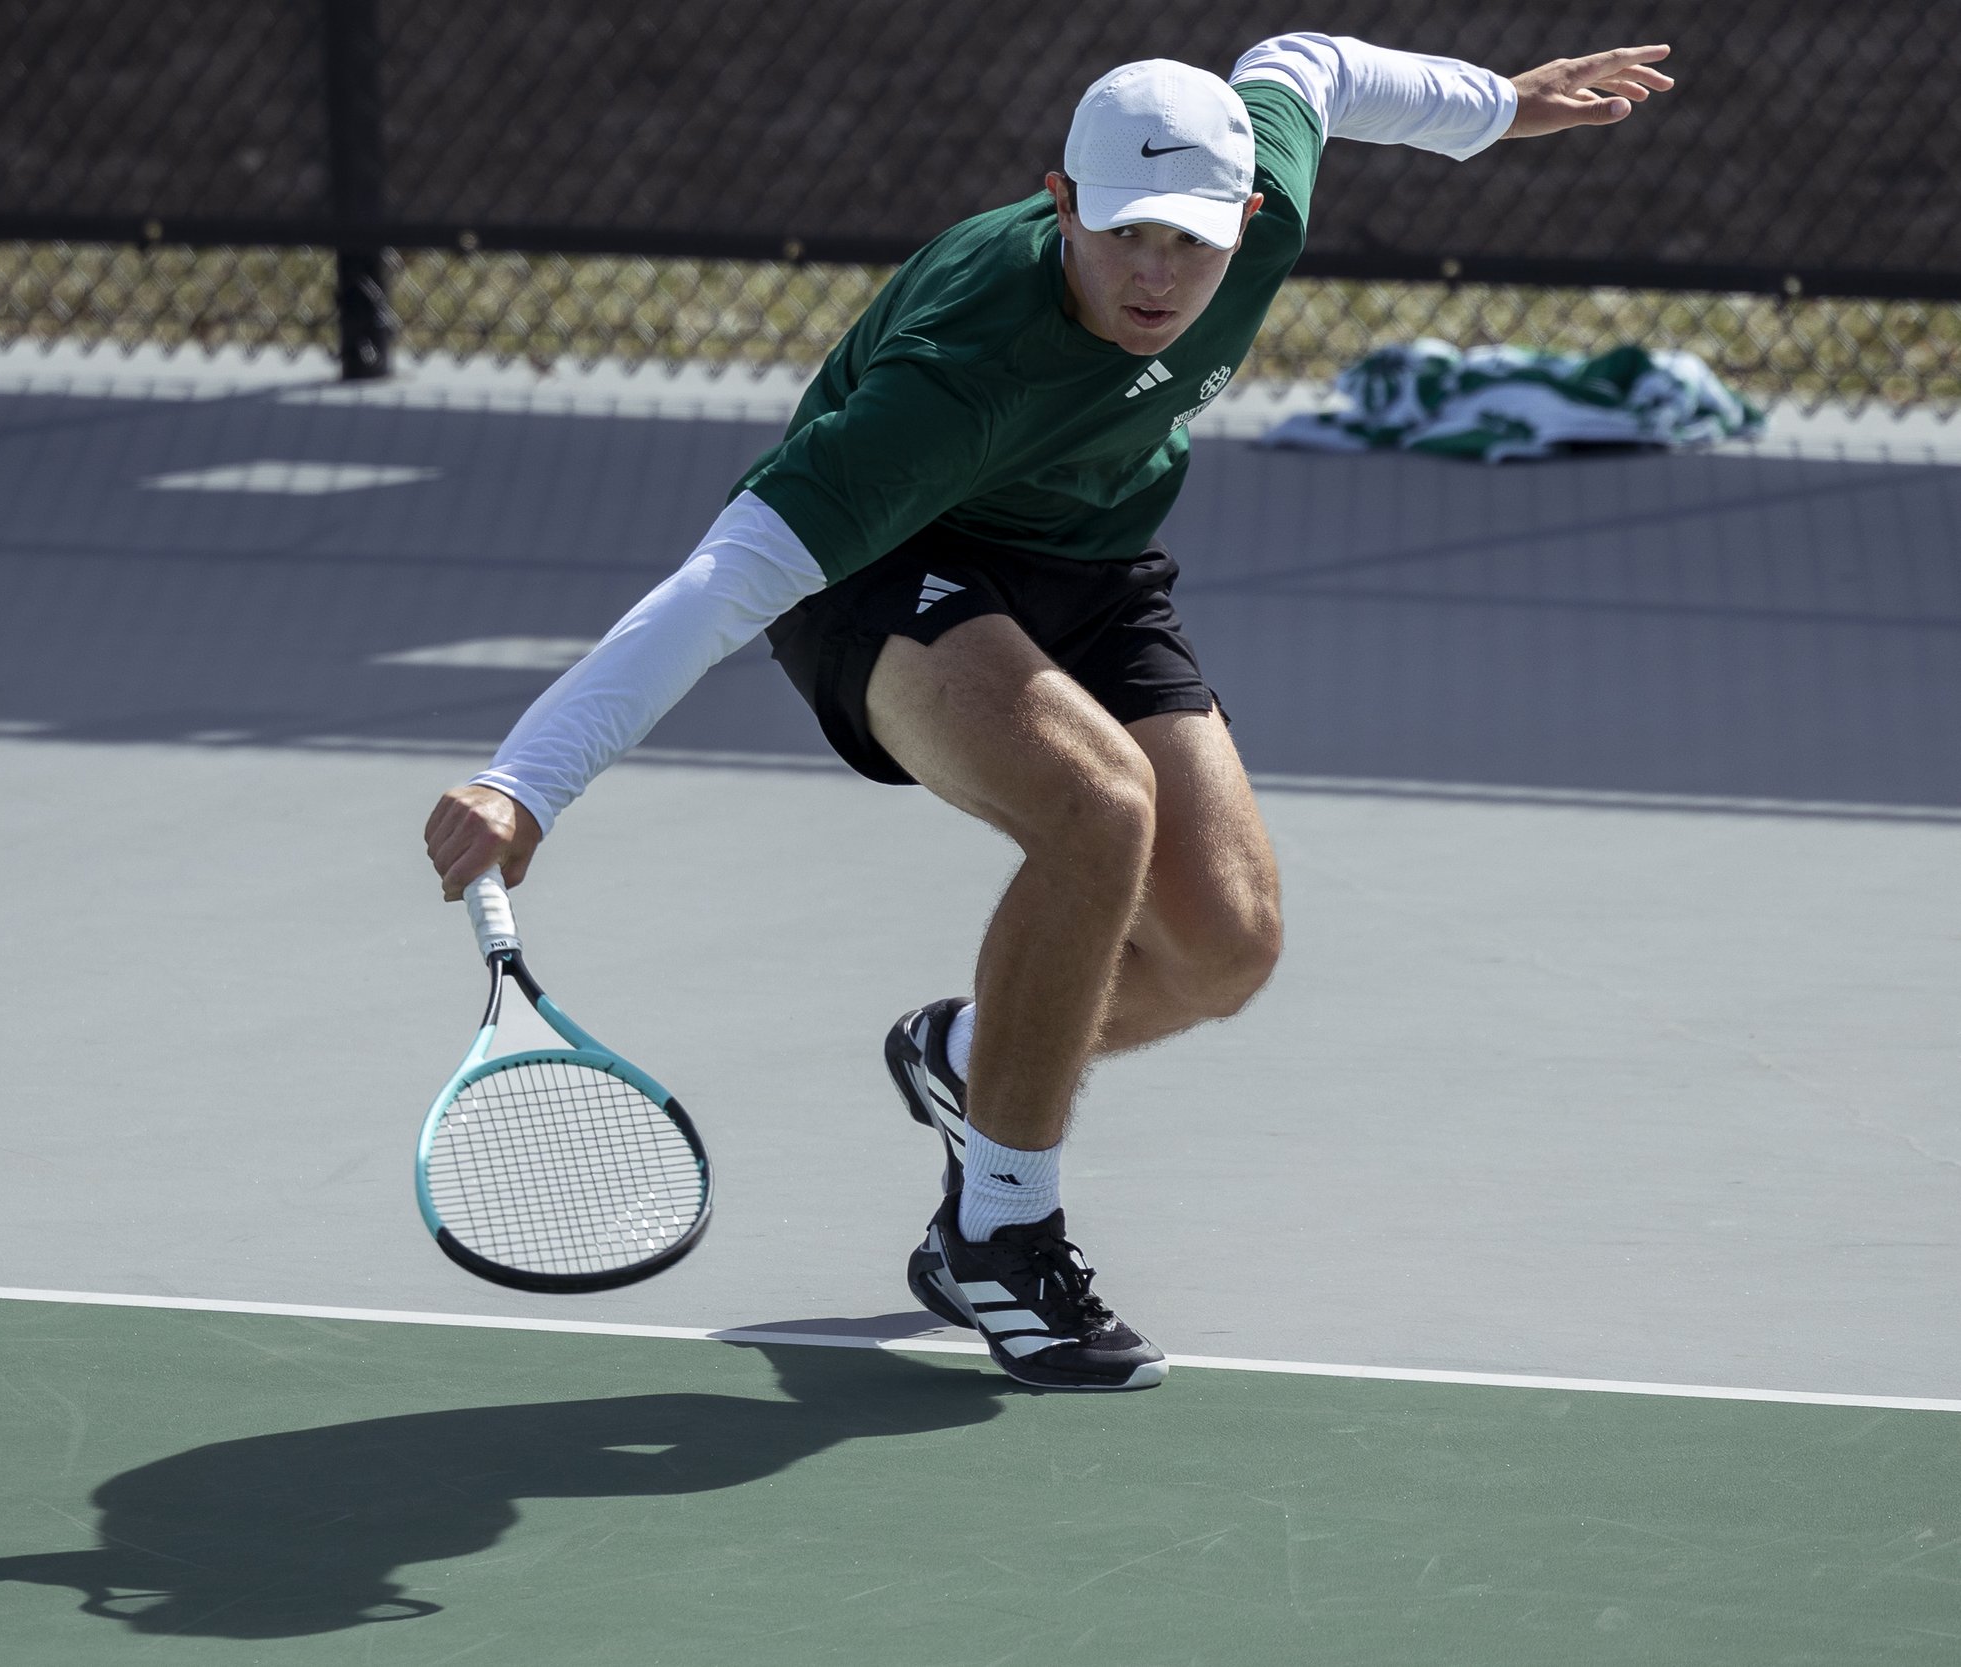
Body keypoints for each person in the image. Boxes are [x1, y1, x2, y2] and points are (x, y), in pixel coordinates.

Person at [423, 34, 1676, 1391]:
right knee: (1098, 812)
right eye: (1123, 234)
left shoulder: (1263, 209)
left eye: (1188, 243)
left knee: (1223, 949)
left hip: (1089, 556)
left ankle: (967, 1056)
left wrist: (1492, 110)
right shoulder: (963, 370)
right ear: (1061, 202)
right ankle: (1002, 1233)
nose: (1156, 274)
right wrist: (526, 780)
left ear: (1246, 221)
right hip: (887, 567)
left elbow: (1304, 65)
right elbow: (727, 578)